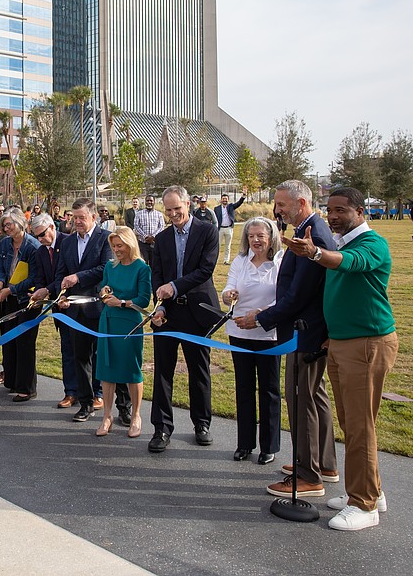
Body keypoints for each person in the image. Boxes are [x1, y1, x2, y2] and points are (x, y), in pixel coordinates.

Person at [286, 186, 399, 531]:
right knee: (353, 424)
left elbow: (350, 264)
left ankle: (364, 505)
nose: (332, 216)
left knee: (361, 426)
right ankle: (370, 490)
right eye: (329, 210)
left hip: (366, 345)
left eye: (340, 210)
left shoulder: (371, 245)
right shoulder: (343, 243)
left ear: (360, 211)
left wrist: (314, 254)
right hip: (341, 343)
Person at [243, 180, 338, 498]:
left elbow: (298, 295)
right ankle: (324, 463)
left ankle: (308, 474)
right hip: (306, 330)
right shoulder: (309, 230)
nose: (276, 210)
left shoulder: (314, 236)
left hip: (304, 332)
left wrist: (260, 318)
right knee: (316, 395)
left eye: (281, 204)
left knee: (301, 399)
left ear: (302, 203)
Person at [37, 198, 130, 423]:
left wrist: (78, 276)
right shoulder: (67, 242)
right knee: (80, 358)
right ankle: (86, 403)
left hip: (100, 308)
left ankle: (124, 408)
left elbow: (103, 269)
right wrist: (61, 295)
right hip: (75, 312)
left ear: (94, 217)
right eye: (74, 217)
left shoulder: (105, 240)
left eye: (82, 218)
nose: (77, 222)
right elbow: (61, 272)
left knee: (111, 357)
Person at [146, 185, 220, 453]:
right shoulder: (162, 238)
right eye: (168, 210)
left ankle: (201, 424)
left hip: (197, 312)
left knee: (198, 370)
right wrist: (160, 305)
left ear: (188, 204)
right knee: (163, 371)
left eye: (177, 208)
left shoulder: (207, 231)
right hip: (168, 313)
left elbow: (205, 270)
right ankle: (161, 428)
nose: (173, 213)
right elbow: (157, 274)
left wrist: (174, 287)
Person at [222, 217, 283, 464]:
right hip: (240, 333)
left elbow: (284, 299)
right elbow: (229, 287)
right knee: (244, 388)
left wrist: (260, 316)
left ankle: (269, 446)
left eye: (261, 236)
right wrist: (228, 295)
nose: (256, 240)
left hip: (269, 335)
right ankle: (244, 443)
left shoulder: (280, 262)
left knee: (269, 390)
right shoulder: (240, 261)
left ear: (271, 238)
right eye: (251, 236)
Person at [88, 227, 151, 438]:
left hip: (129, 322)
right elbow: (104, 288)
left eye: (120, 246)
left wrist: (122, 302)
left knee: (132, 370)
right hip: (108, 321)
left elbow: (144, 299)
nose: (116, 250)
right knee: (107, 369)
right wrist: (104, 292)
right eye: (114, 246)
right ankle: (107, 416)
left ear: (130, 244)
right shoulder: (110, 266)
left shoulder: (142, 268)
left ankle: (135, 416)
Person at [0, 210, 41, 402]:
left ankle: (27, 388)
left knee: (25, 343)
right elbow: (0, 268)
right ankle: (11, 380)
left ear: (21, 223)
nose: (6, 228)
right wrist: (0, 282)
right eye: (4, 225)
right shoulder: (4, 243)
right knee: (9, 340)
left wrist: (11, 290)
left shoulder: (33, 246)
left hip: (27, 300)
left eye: (9, 224)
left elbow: (34, 277)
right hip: (8, 298)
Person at [27, 214, 75, 407]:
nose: (40, 240)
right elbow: (39, 277)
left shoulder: (68, 243)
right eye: (37, 236)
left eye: (43, 235)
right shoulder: (40, 252)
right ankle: (70, 392)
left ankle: (94, 392)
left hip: (75, 303)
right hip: (58, 307)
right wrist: (41, 292)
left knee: (89, 351)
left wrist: (50, 290)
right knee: (67, 350)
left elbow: (67, 274)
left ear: (52, 228)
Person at [133, 194, 165, 266]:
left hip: (155, 243)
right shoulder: (139, 214)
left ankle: (153, 277)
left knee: (155, 264)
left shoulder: (159, 214)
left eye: (151, 200)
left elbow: (161, 227)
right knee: (143, 264)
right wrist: (145, 236)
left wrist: (153, 237)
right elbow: (136, 226)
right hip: (143, 243)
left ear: (154, 202)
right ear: (145, 202)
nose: (149, 202)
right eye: (147, 201)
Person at [215, 193, 247, 265]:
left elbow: (239, 203)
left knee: (228, 246)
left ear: (228, 200)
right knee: (217, 245)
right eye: (223, 199)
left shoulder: (231, 206)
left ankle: (226, 260)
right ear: (221, 200)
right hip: (220, 229)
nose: (224, 200)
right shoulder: (217, 209)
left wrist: (243, 196)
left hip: (229, 228)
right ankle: (215, 259)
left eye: (226, 199)